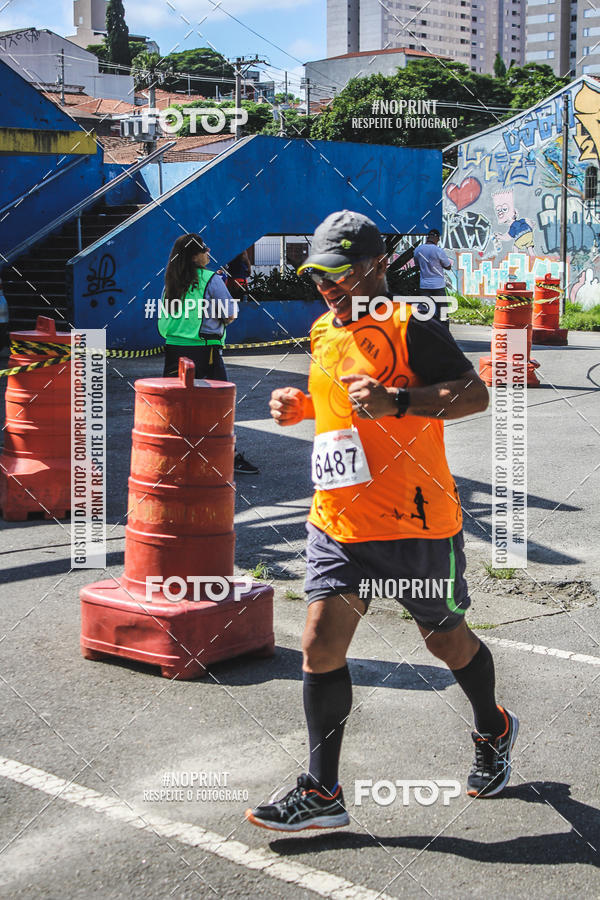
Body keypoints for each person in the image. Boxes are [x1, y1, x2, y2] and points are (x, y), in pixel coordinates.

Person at [245, 210, 518, 832]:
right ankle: (322, 792)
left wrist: (400, 401)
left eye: (338, 272)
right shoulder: (321, 330)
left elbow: (473, 395)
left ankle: (493, 726)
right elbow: (342, 406)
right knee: (317, 643)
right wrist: (303, 406)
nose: (326, 284)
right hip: (338, 523)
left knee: (444, 641)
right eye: (316, 272)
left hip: (416, 523)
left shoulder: (409, 323)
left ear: (376, 265)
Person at [159, 233, 258, 475]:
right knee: (217, 407)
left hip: (173, 351)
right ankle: (227, 456)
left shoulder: (171, 280)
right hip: (205, 351)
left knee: (179, 406)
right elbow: (229, 313)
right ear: (195, 255)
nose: (208, 251)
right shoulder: (209, 279)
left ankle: (176, 457)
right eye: (204, 248)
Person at [413, 228, 453, 327]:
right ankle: (445, 335)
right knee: (443, 312)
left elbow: (417, 265)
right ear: (436, 238)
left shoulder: (418, 250)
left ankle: (426, 334)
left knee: (425, 312)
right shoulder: (438, 250)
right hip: (438, 285)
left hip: (424, 286)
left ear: (428, 237)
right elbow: (448, 266)